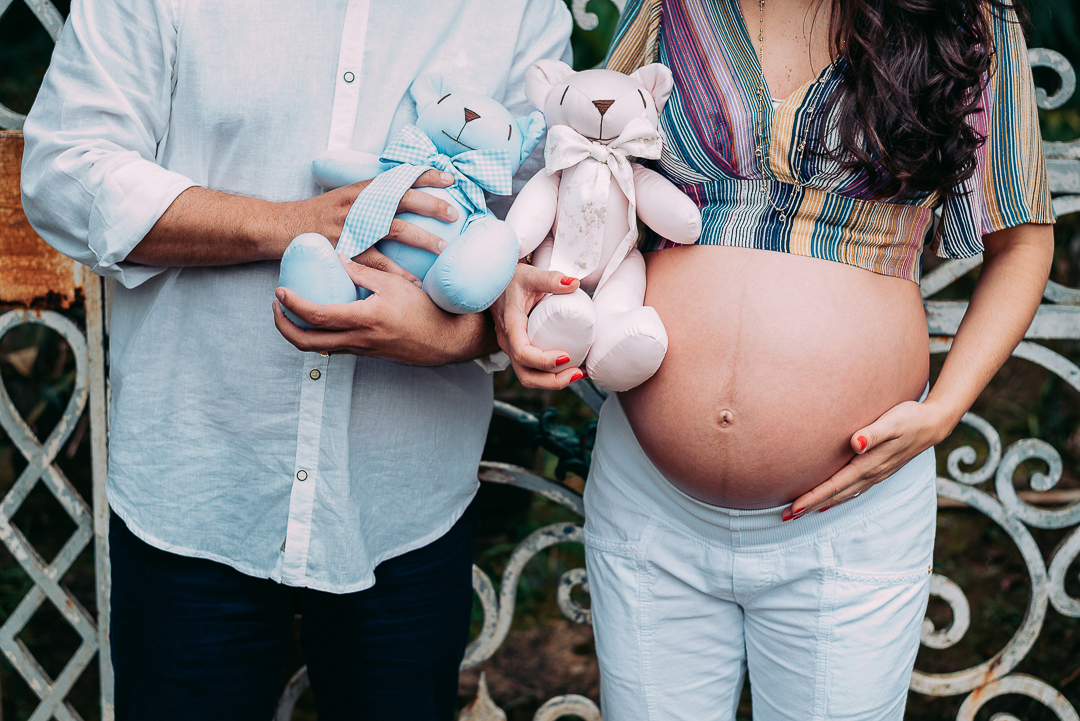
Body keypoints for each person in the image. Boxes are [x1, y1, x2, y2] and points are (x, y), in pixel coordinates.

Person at [493, 0, 1055, 717]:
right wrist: (527, 284)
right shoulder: (669, 10)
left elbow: (1023, 239)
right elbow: (587, 170)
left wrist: (943, 408)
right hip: (649, 499)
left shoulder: (962, 19)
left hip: (848, 516)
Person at [20, 1, 573, 719]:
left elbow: (543, 232)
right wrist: (289, 225)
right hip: (198, 484)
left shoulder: (515, 9)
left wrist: (453, 337)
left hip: (405, 501)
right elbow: (65, 169)